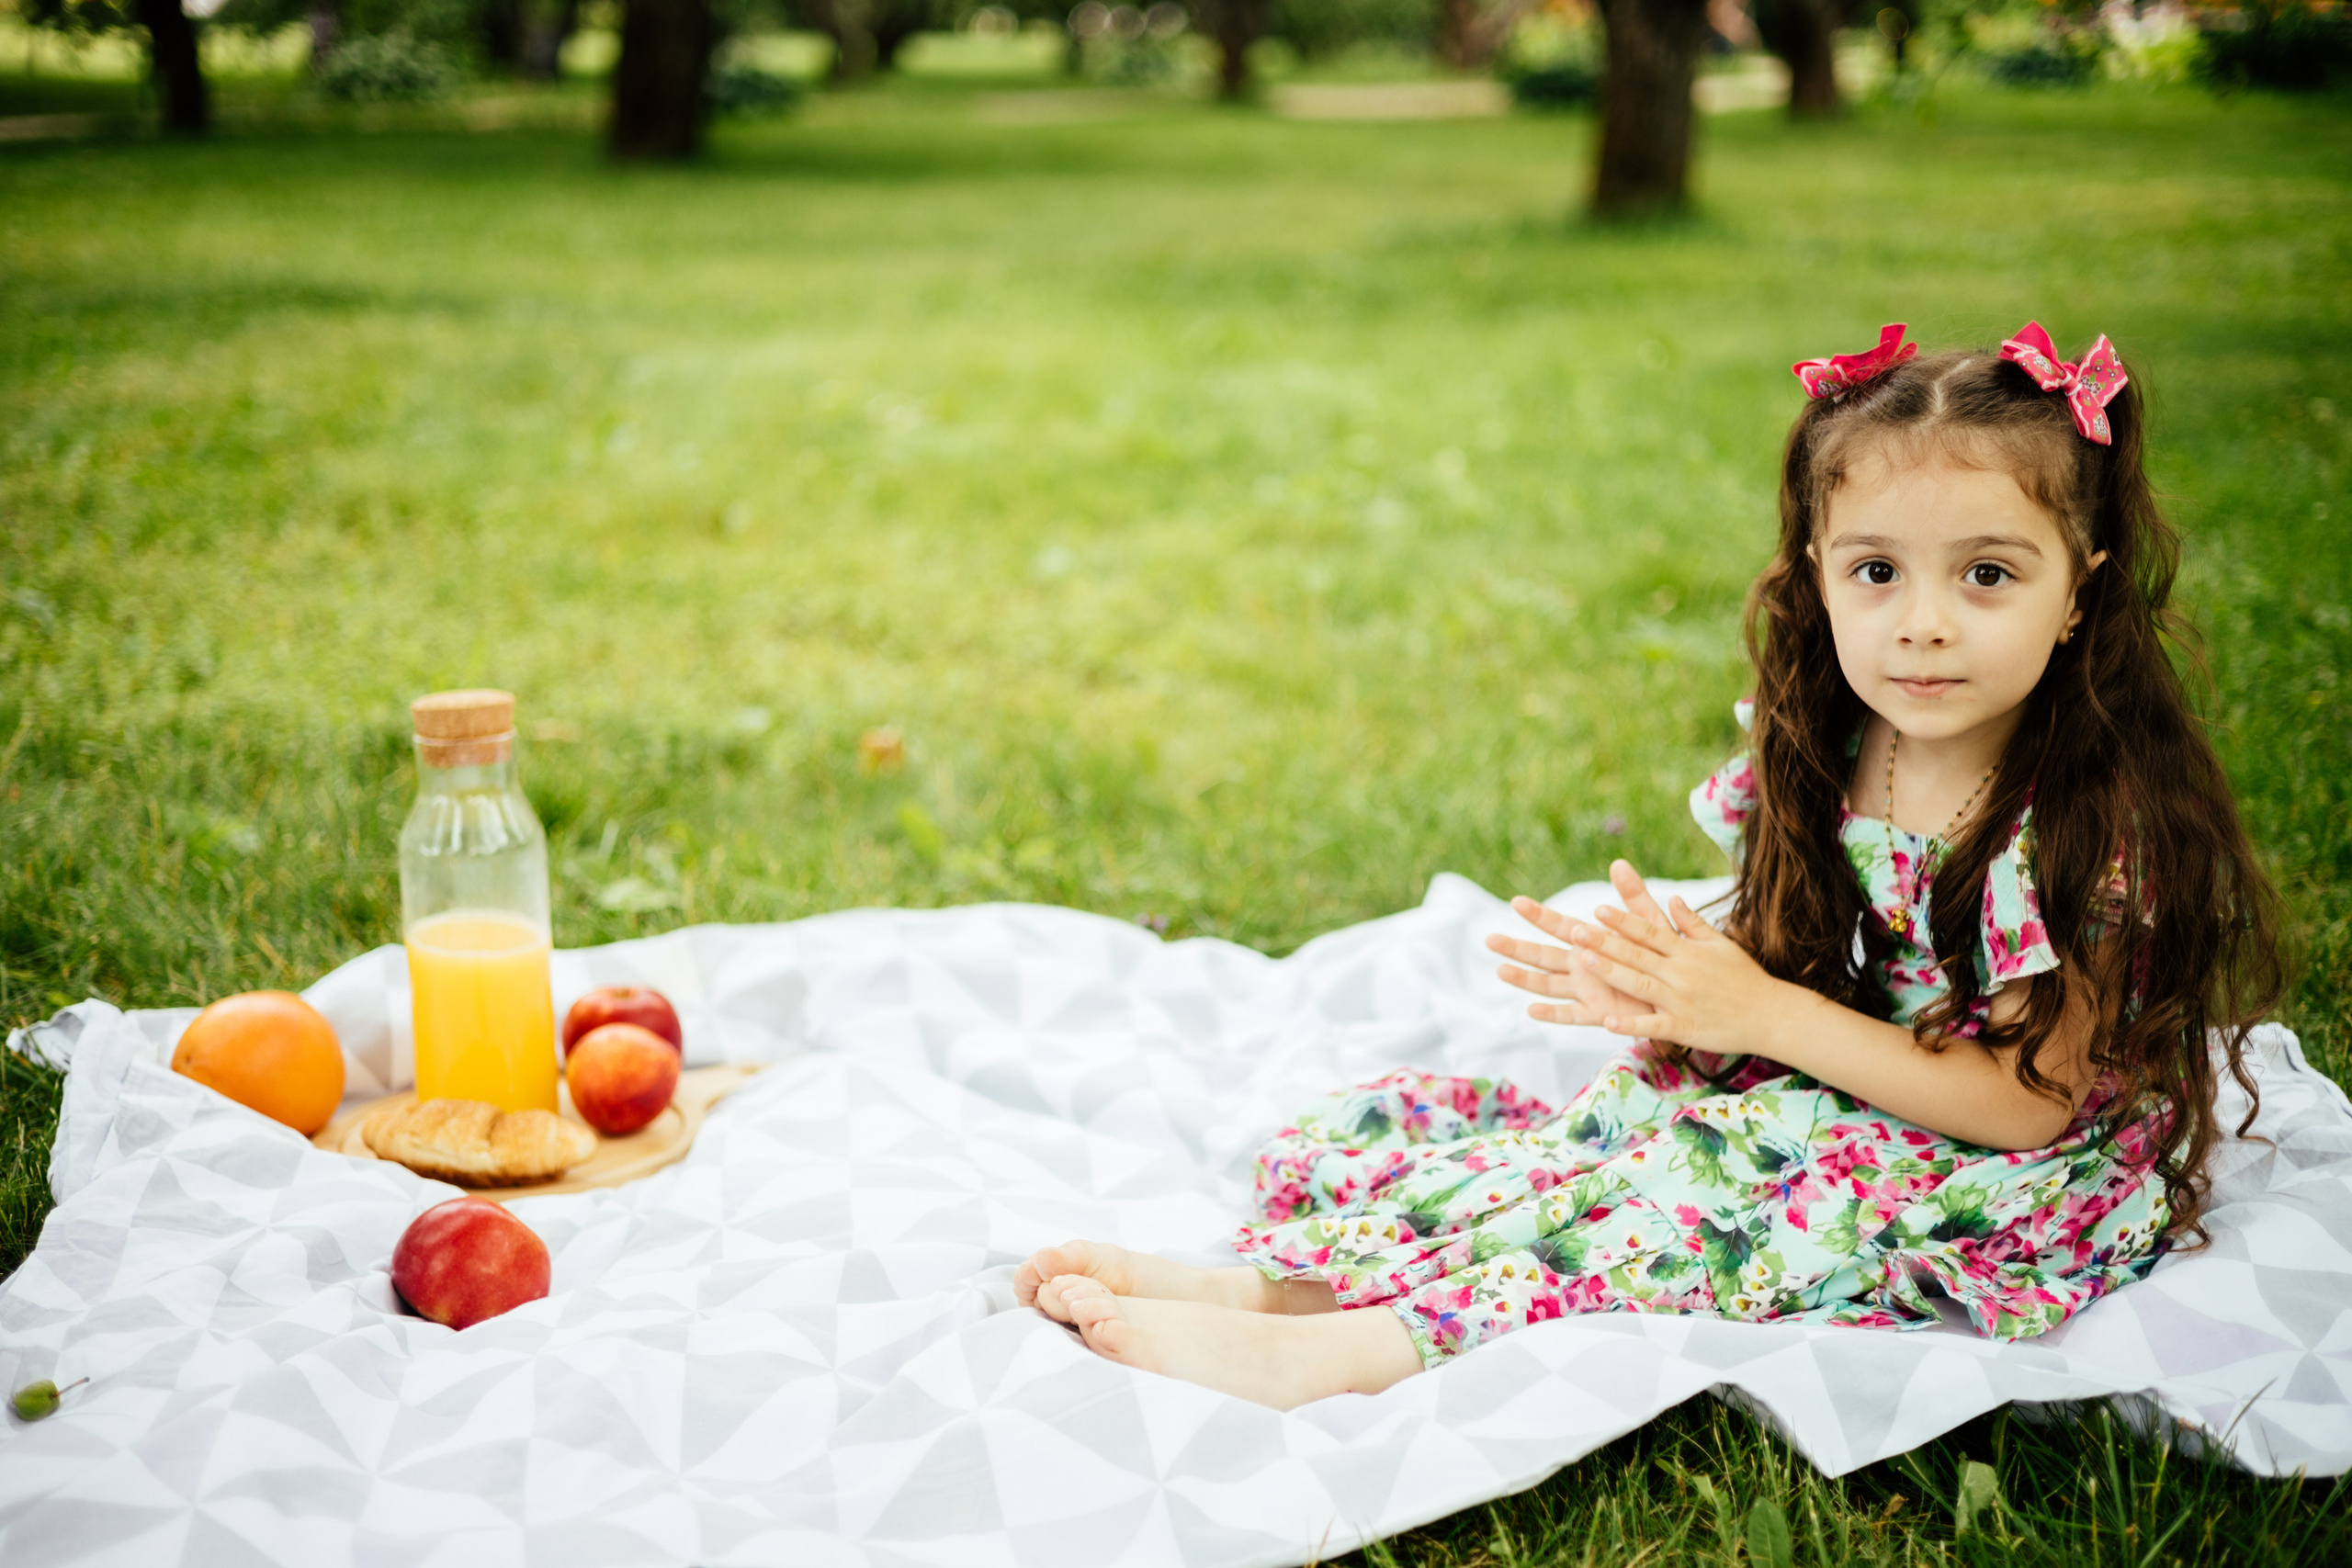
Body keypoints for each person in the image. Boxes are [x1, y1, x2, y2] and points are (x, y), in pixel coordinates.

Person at [1014, 322, 2284, 1410]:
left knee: (1707, 1191)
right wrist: (1692, 996)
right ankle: (1277, 1287)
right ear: (1818, 579)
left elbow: (2029, 1104)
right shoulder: (1841, 739)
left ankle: (1364, 1350)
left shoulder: (2076, 821)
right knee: (1628, 1126)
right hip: (1859, 1081)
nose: (1926, 621)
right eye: (1878, 572)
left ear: (2079, 593)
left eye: (1990, 574)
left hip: (2009, 1171)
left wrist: (1769, 1019)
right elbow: (1832, 975)